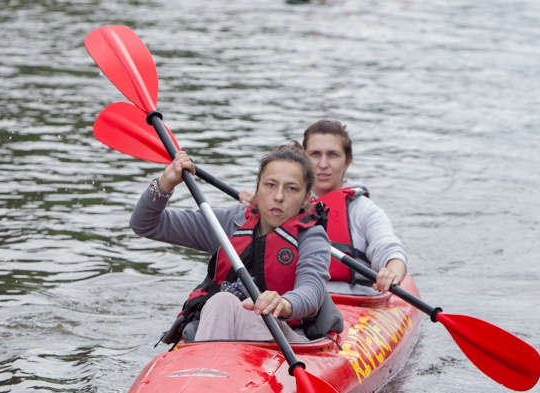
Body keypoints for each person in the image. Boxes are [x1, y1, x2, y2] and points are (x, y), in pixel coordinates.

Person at [130, 142, 341, 343]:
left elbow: (312, 290)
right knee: (222, 300)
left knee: (254, 311)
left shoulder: (313, 237)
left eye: (291, 189)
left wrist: (285, 303)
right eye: (270, 185)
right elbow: (146, 224)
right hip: (220, 332)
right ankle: (206, 370)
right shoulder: (228, 223)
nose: (278, 196)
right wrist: (165, 183)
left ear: (306, 198)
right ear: (258, 189)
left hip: (287, 339)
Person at [240, 120, 407, 295]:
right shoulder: (280, 204)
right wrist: (259, 206)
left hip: (354, 302)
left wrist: (392, 272)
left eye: (333, 155)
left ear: (347, 162)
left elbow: (389, 249)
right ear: (303, 159)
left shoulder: (365, 210)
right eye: (315, 154)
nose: (323, 164)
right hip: (293, 301)